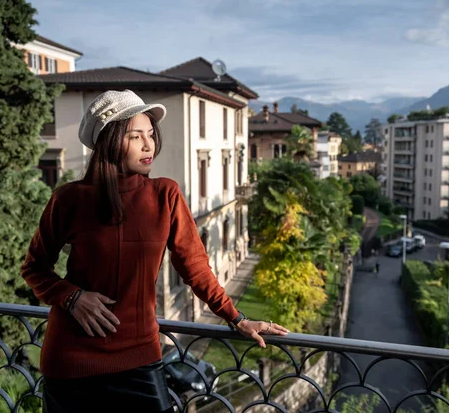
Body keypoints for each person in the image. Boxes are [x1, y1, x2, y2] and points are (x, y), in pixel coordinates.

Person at [21, 90, 289, 413]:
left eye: (150, 134)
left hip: (139, 359)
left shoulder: (165, 195)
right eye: (136, 136)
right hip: (72, 365)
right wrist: (72, 297)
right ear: (110, 140)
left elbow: (196, 269)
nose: (149, 145)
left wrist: (237, 318)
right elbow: (34, 267)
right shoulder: (69, 200)